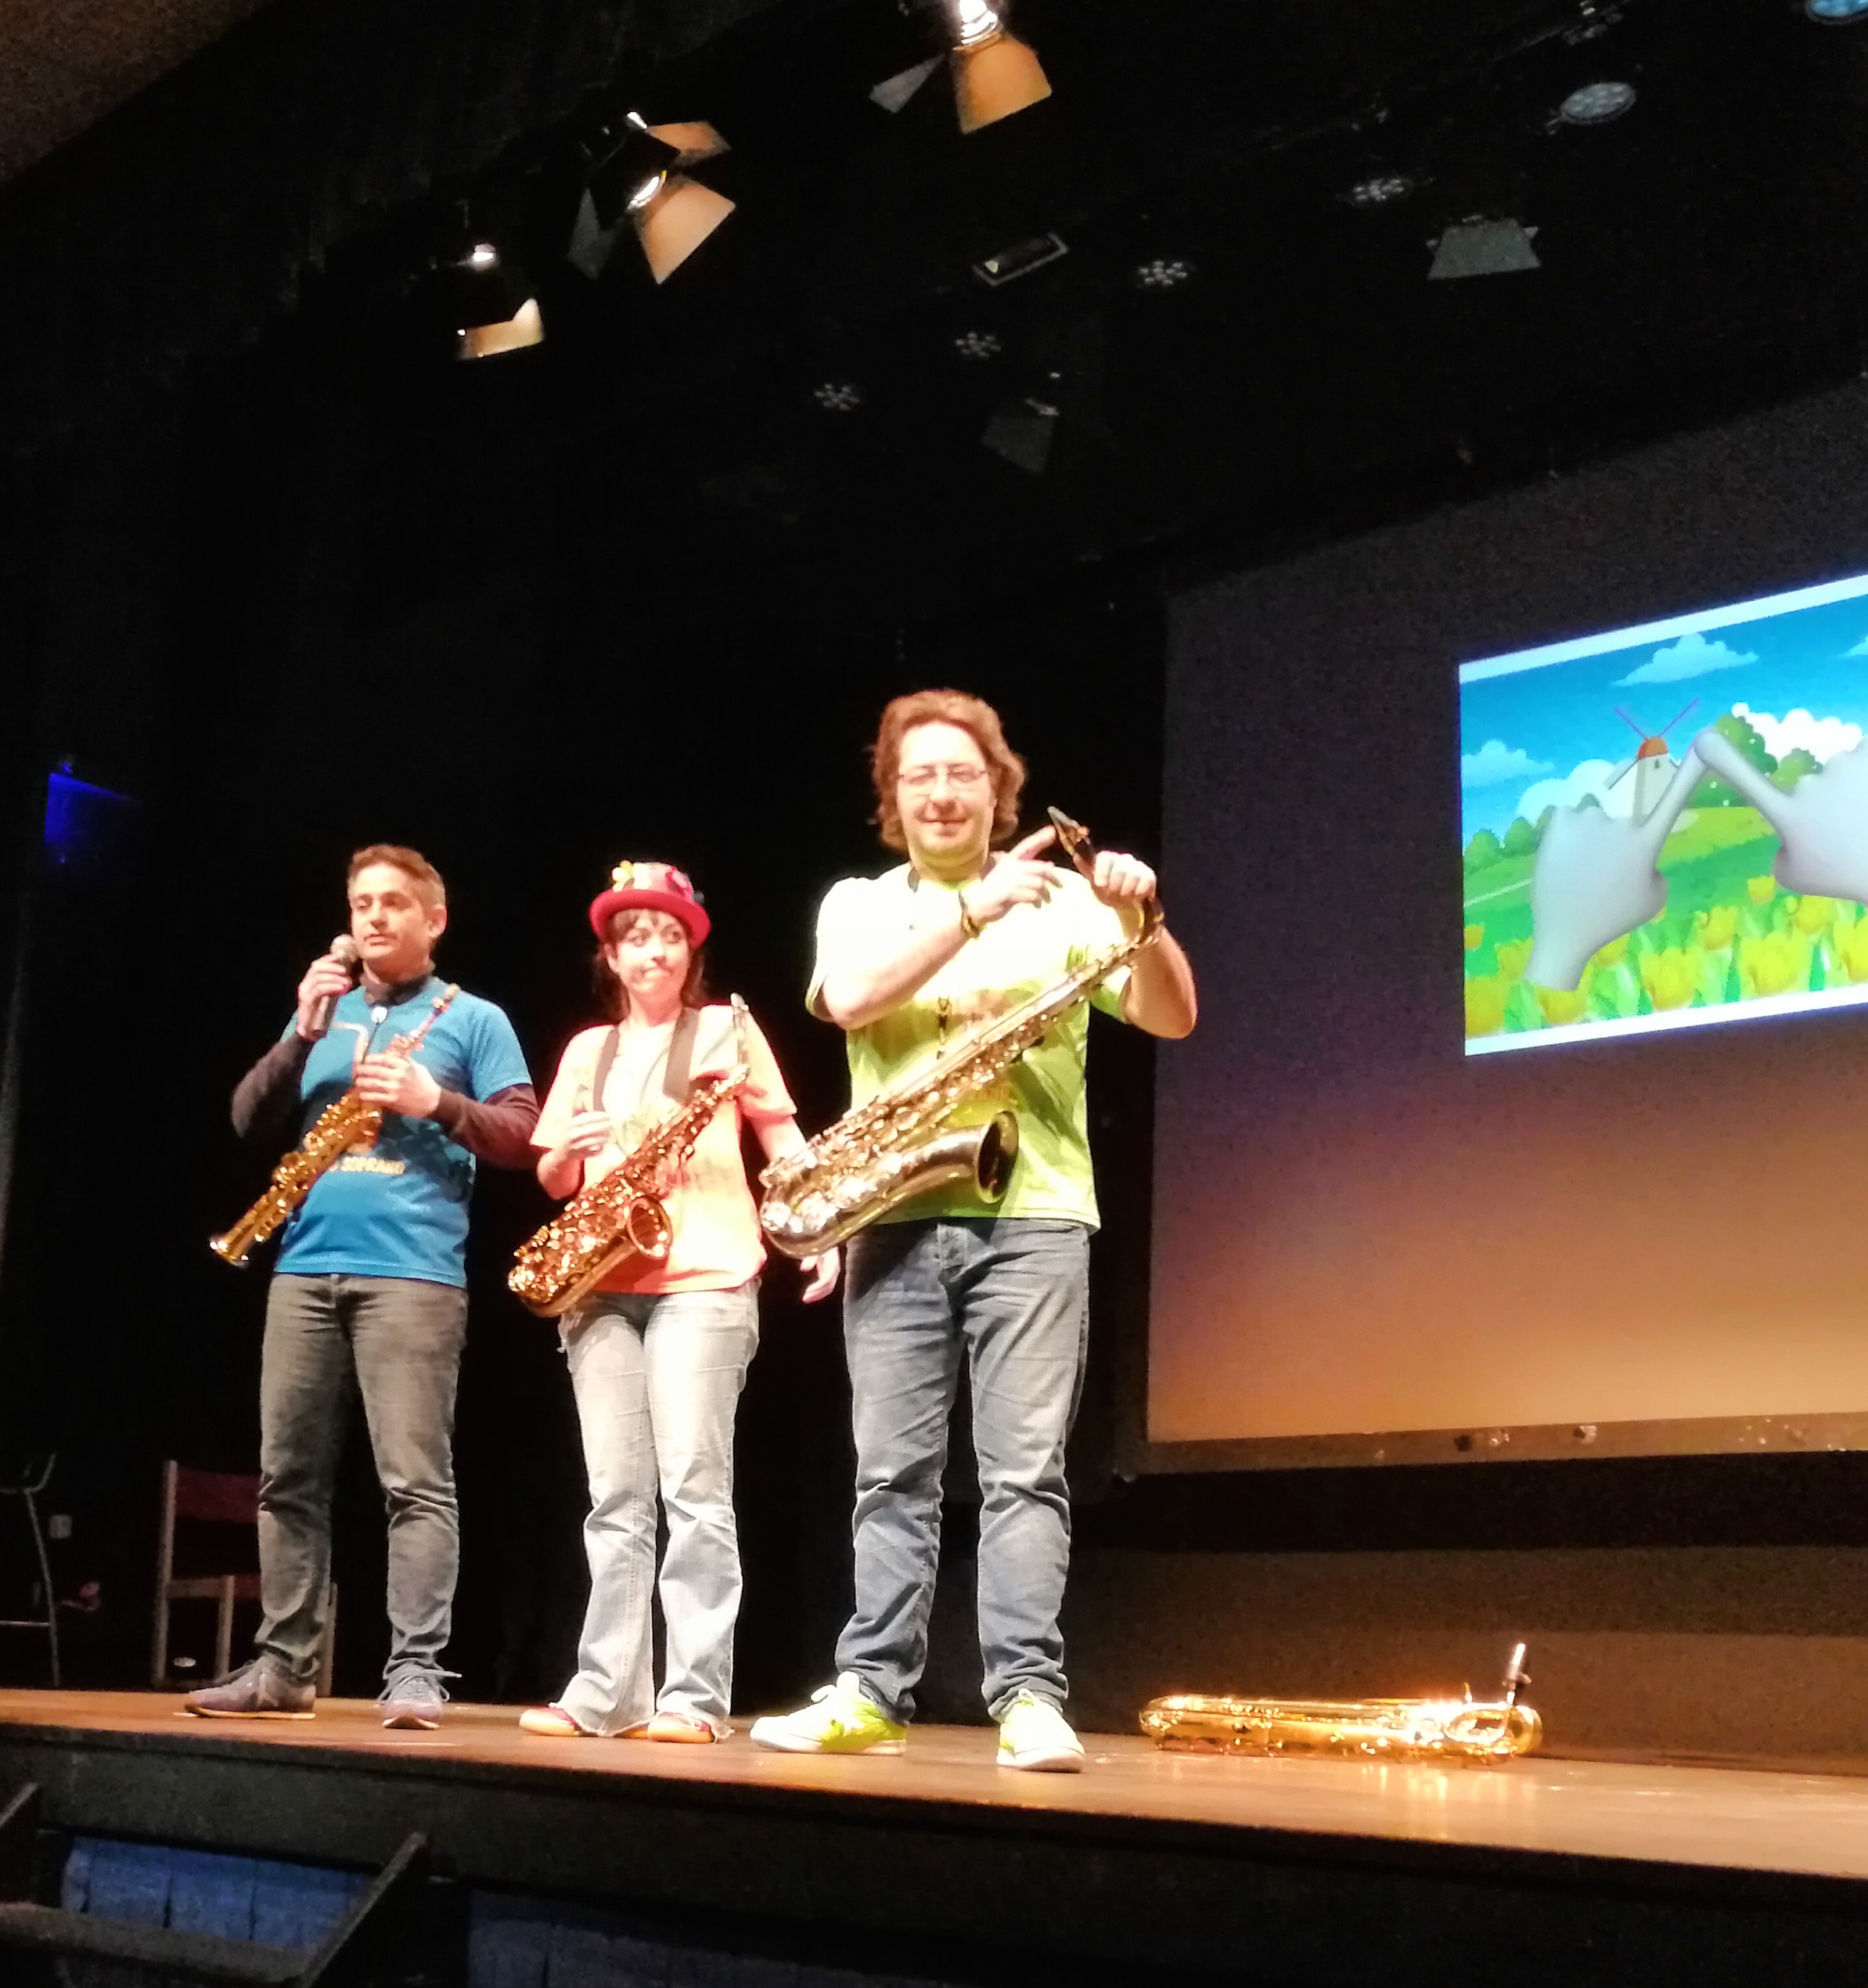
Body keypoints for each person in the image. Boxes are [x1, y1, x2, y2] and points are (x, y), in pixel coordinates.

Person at [748, 691, 1197, 1771]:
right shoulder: (860, 902)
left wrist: (1145, 918)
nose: (942, 793)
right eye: (921, 777)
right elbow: (849, 999)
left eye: (964, 774)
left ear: (1001, 791)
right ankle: (870, 1689)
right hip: (895, 1212)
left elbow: (1173, 1015)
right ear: (893, 799)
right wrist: (972, 913)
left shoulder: (1065, 901)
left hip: (1036, 1211)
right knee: (890, 1475)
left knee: (1024, 1473)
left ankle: (1029, 1696)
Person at [185, 845, 534, 1729]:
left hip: (412, 1275)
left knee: (413, 1482)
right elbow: (246, 1118)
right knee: (287, 1478)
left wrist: (434, 1101)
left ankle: (414, 1671)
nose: (373, 917)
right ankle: (283, 1667)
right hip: (303, 1268)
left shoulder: (473, 1018)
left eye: (393, 903)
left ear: (433, 921)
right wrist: (301, 1032)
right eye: (361, 903)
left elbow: (521, 1135)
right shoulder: (325, 1012)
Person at [520, 864, 840, 1743]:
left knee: (695, 1492)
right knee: (614, 1499)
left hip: (705, 1278)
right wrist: (566, 1150)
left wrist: (820, 1226)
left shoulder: (728, 1028)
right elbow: (553, 1176)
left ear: (690, 950)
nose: (651, 951)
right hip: (600, 1287)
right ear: (611, 957)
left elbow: (779, 1132)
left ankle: (693, 1698)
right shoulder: (588, 1050)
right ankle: (606, 1692)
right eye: (634, 938)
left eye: (668, 936)